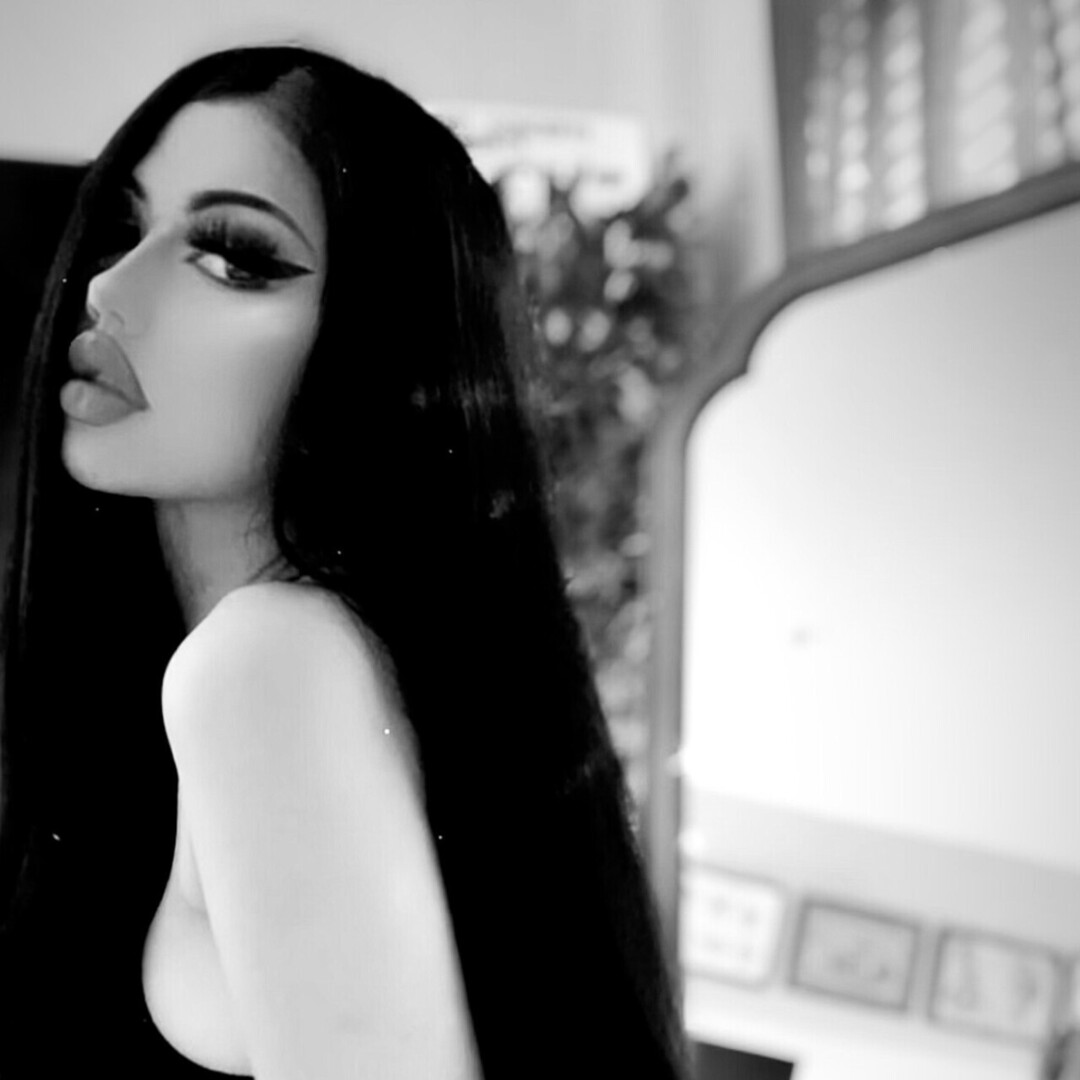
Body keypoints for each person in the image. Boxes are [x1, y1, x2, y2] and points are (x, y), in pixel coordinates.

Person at [0, 44, 688, 1079]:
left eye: (232, 255)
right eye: (125, 228)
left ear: (375, 344)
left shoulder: (269, 661)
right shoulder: (280, 662)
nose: (107, 289)